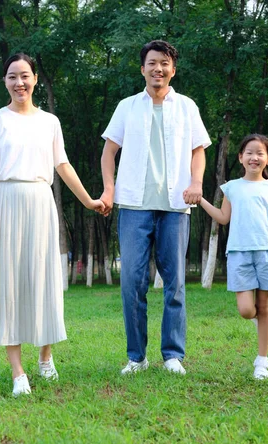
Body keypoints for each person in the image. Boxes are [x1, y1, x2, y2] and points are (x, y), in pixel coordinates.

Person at [0, 53, 104, 397]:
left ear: (34, 79)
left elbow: (63, 165)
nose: (20, 82)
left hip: (40, 201)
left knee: (43, 279)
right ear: (4, 81)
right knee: (8, 284)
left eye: (26, 75)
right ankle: (18, 373)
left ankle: (46, 357)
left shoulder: (50, 122)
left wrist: (89, 200)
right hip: (3, 202)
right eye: (13, 76)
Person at [100, 40, 212, 376]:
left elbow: (198, 150)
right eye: (152, 63)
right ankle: (137, 357)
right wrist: (109, 188)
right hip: (134, 204)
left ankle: (173, 355)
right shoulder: (127, 107)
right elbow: (109, 152)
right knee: (132, 281)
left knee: (175, 282)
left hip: (175, 206)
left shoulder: (186, 107)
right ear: (142, 69)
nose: (157, 69)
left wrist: (196, 183)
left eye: (164, 63)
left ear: (172, 69)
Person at [198, 134, 268, 379]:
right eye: (249, 152)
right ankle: (263, 327)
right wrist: (202, 200)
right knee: (247, 310)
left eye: (260, 153)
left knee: (264, 306)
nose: (254, 157)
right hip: (239, 253)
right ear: (240, 157)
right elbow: (223, 217)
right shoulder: (232, 187)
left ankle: (262, 361)